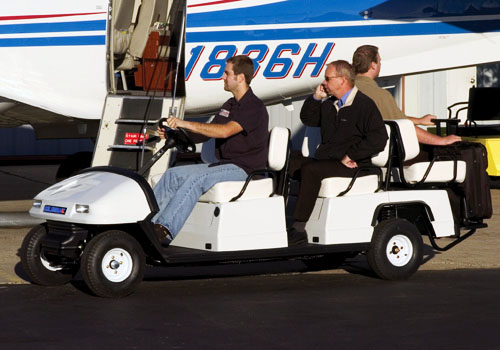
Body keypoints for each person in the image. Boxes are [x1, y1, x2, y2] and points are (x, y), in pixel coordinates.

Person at [152, 55, 269, 244]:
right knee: (172, 175)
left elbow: (224, 131)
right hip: (224, 165)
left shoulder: (254, 106)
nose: (222, 77)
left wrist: (183, 122)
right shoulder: (229, 105)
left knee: (196, 179)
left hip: (245, 169)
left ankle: (163, 230)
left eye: (226, 73)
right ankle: (145, 224)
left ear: (240, 77)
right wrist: (174, 133)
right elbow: (207, 133)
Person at [288, 60, 388, 244]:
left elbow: (379, 138)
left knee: (311, 170)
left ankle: (298, 227)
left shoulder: (364, 105)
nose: (324, 83)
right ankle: (280, 217)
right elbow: (308, 118)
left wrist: (351, 155)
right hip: (327, 160)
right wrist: (316, 98)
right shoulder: (329, 105)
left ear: (342, 80)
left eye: (327, 78)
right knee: (290, 162)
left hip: (351, 165)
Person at [352, 45, 461, 146]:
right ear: (373, 65)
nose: (380, 64)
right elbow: (402, 126)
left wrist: (419, 120)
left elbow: (388, 117)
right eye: (379, 61)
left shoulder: (346, 90)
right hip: (369, 155)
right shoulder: (379, 95)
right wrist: (441, 140)